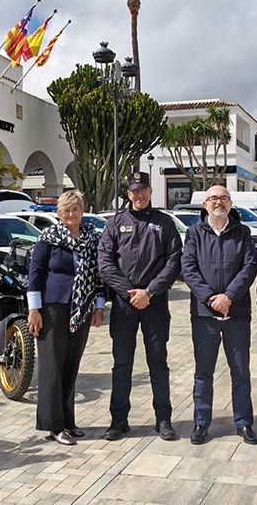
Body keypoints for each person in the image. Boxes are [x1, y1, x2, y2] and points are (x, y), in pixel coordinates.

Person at [98, 171, 183, 441]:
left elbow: (174, 262)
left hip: (154, 303)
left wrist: (149, 291)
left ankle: (163, 419)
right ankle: (118, 420)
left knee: (158, 361)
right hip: (124, 305)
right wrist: (129, 292)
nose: (139, 195)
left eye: (143, 190)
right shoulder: (115, 223)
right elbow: (105, 263)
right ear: (128, 193)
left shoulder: (164, 223)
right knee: (122, 363)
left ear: (150, 191)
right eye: (135, 191)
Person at [181, 185, 257, 445]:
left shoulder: (243, 232)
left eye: (224, 198)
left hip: (236, 313)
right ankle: (201, 422)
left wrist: (229, 297)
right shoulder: (194, 233)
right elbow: (188, 268)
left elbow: (249, 267)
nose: (219, 202)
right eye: (213, 198)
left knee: (240, 371)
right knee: (203, 372)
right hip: (204, 314)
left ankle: (244, 422)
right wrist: (211, 299)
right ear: (205, 204)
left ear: (230, 204)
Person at [27, 190, 105, 446]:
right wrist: (34, 310)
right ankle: (54, 425)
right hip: (53, 308)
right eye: (66, 210)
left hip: (81, 308)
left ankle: (68, 421)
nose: (71, 214)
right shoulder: (48, 238)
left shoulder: (92, 239)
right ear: (59, 214)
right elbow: (35, 273)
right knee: (52, 366)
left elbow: (98, 275)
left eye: (75, 209)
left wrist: (99, 307)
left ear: (82, 211)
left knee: (71, 364)